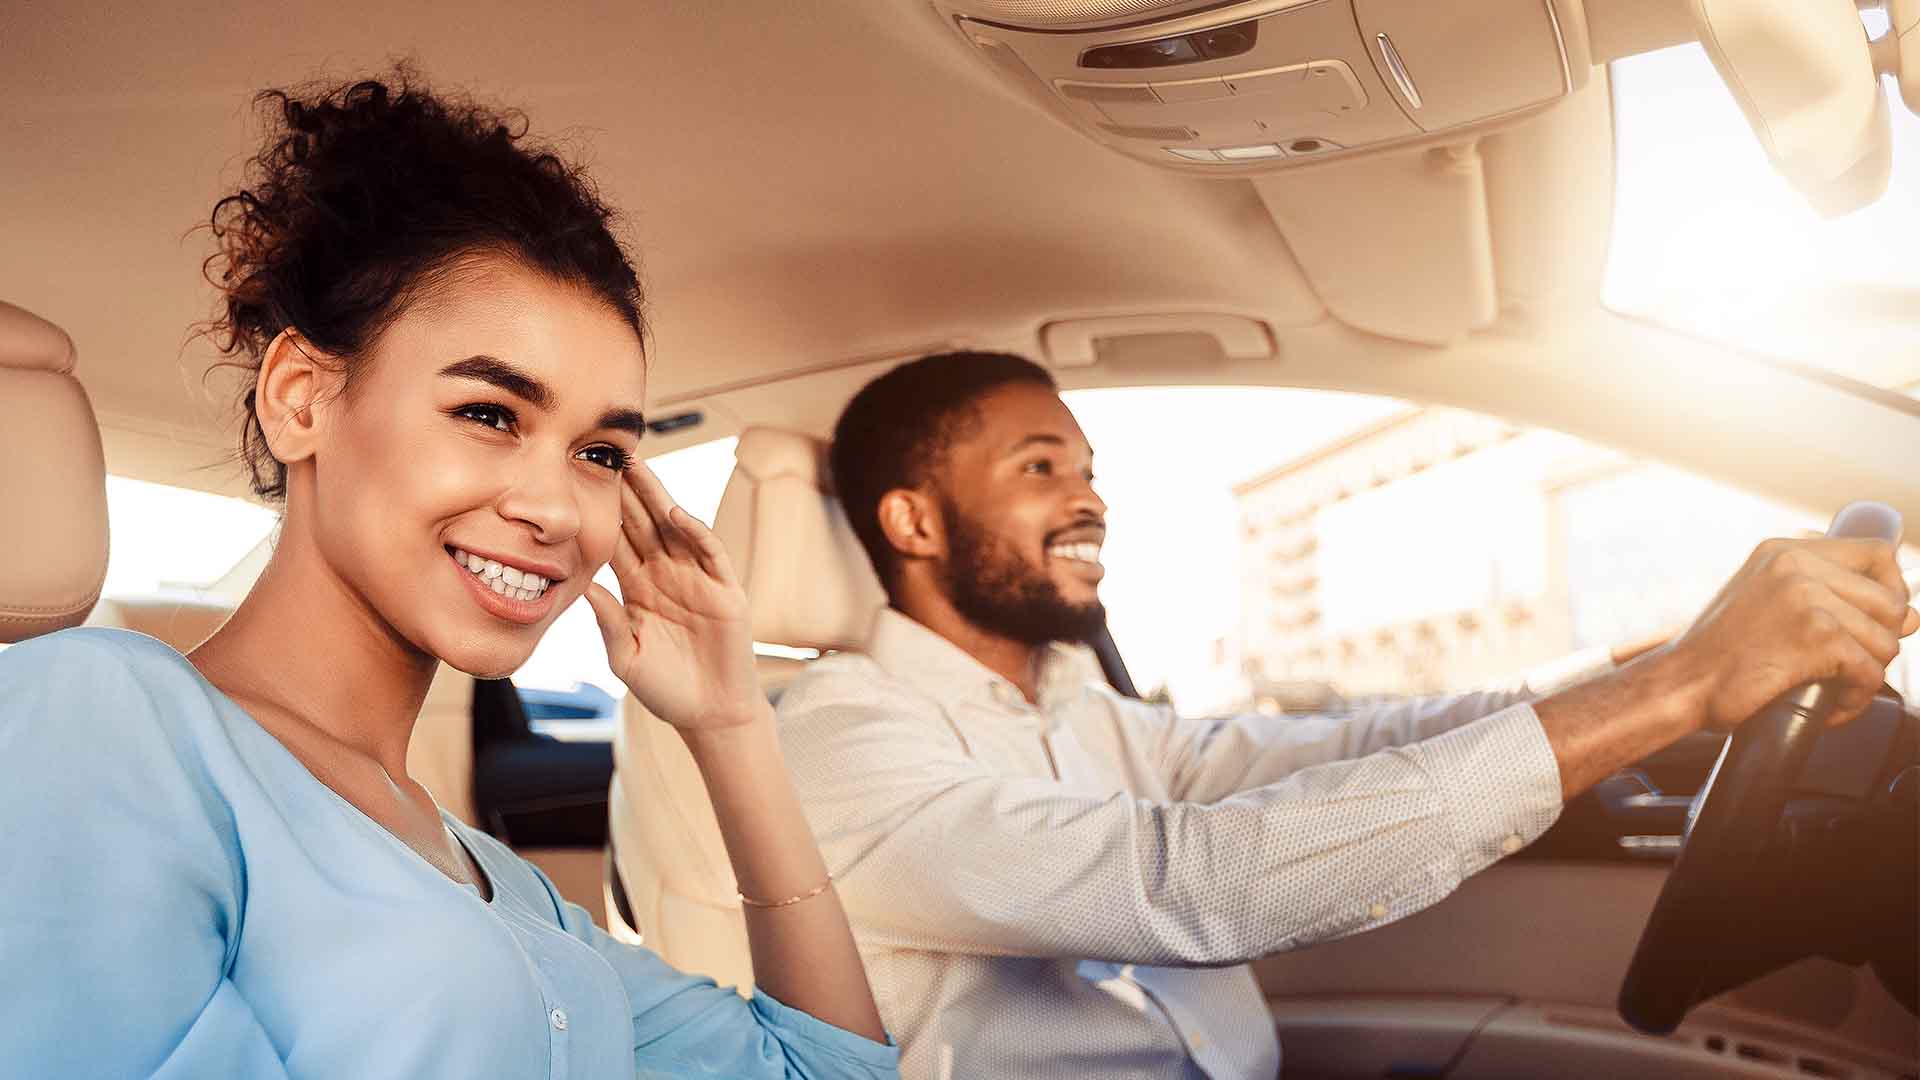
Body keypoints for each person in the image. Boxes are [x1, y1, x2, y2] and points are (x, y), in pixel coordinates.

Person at [0, 74, 896, 1079]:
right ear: (301, 398)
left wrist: (730, 728)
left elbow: (832, 1072)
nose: (557, 509)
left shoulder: (504, 889)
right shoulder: (95, 718)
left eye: (599, 453)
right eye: (490, 414)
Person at [774, 350, 1917, 1079]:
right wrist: (1681, 691)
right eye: (1040, 468)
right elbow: (1187, 884)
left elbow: (1344, 744)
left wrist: (1662, 663)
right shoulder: (839, 737)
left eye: (1088, 466)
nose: (1092, 499)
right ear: (914, 524)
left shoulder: (1076, 705)